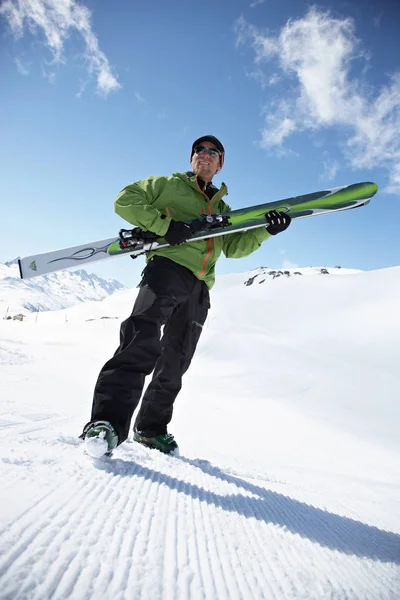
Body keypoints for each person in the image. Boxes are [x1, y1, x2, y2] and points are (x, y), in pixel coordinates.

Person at [81, 135, 291, 457]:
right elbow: (125, 200)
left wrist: (265, 230)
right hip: (167, 268)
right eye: (199, 151)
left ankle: (150, 428)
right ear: (192, 158)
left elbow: (232, 248)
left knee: (176, 361)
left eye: (213, 152)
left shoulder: (222, 209)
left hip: (200, 286)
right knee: (141, 338)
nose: (204, 155)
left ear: (220, 164)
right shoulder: (168, 185)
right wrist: (165, 226)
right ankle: (106, 423)